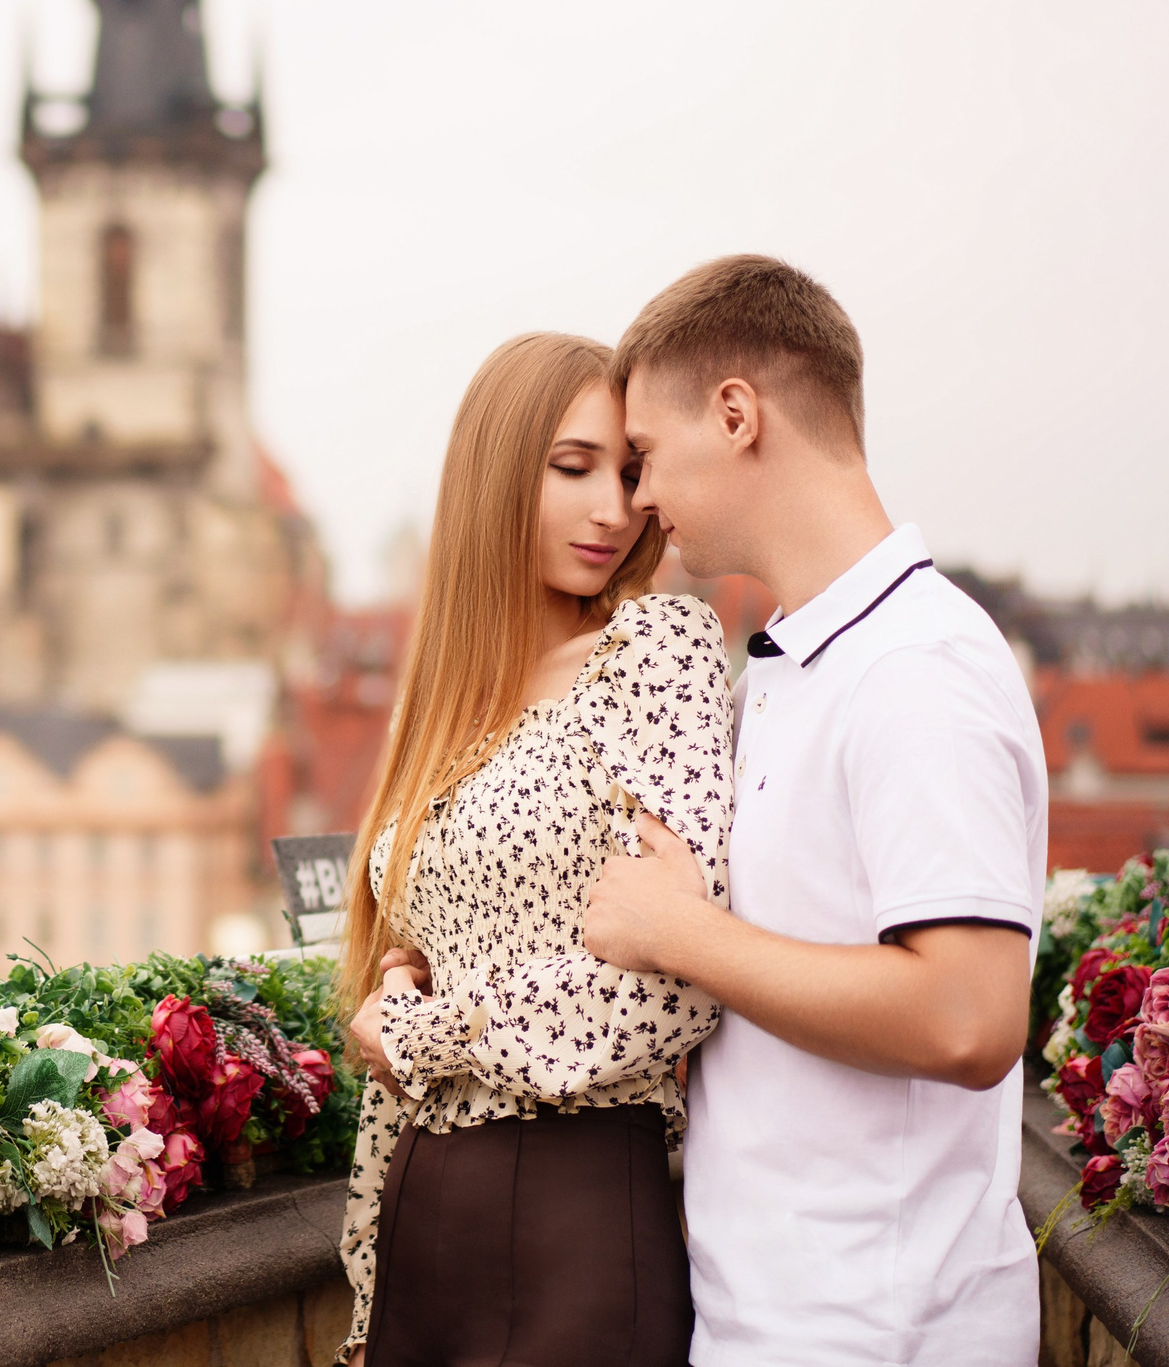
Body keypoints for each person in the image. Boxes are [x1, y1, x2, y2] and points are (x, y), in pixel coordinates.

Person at [583, 254, 1046, 1365]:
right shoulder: (797, 663)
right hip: (780, 1319)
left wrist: (684, 936)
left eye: (644, 456)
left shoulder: (915, 666)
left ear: (735, 415)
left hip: (880, 1331)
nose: (636, 499)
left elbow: (967, 1019)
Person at [335, 331, 737, 1367]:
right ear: (494, 473)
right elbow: (422, 909)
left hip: (579, 1206)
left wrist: (423, 1032)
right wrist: (393, 964)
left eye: (629, 473)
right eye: (573, 469)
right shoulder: (444, 701)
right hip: (419, 1208)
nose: (614, 508)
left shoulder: (653, 652)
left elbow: (674, 985)